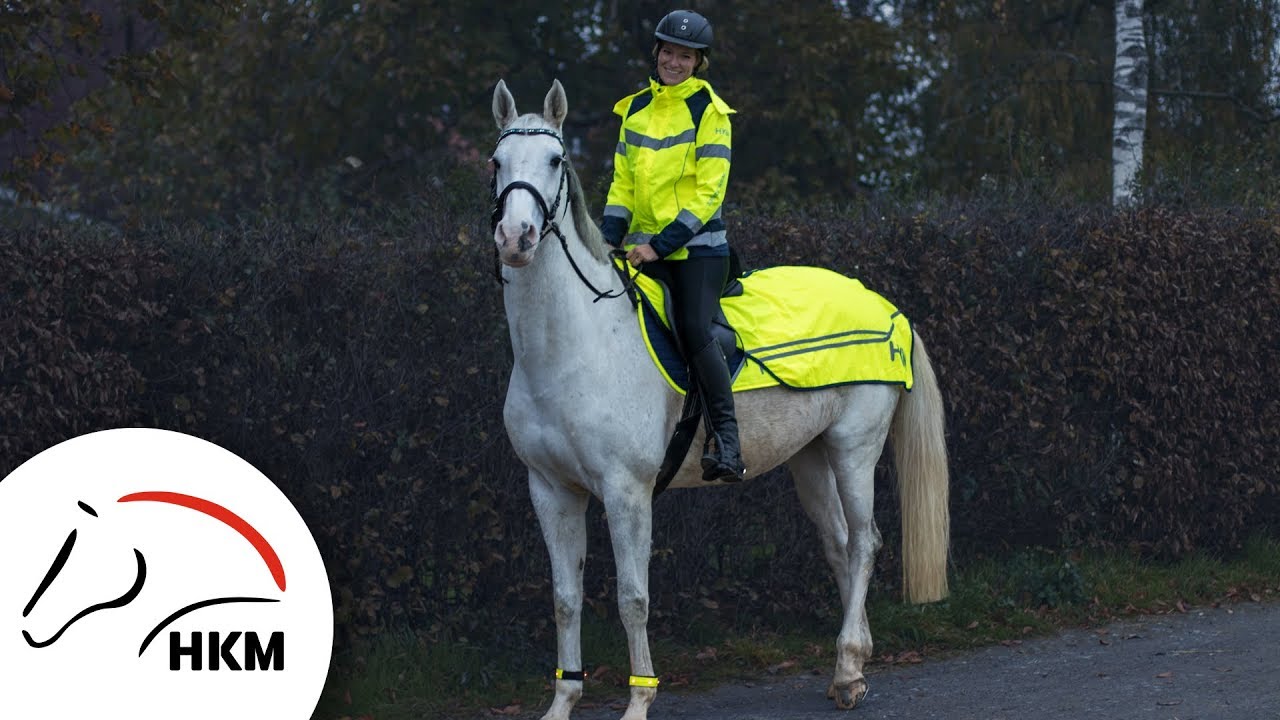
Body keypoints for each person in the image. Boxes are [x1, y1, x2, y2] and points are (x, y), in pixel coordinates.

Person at [600, 9, 745, 483]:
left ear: (699, 63)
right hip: (643, 250)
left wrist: (659, 247)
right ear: (657, 54)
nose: (674, 62)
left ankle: (727, 440)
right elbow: (622, 186)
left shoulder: (711, 113)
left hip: (697, 252)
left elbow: (709, 195)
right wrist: (607, 241)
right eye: (668, 52)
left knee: (691, 328)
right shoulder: (635, 109)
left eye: (686, 56)